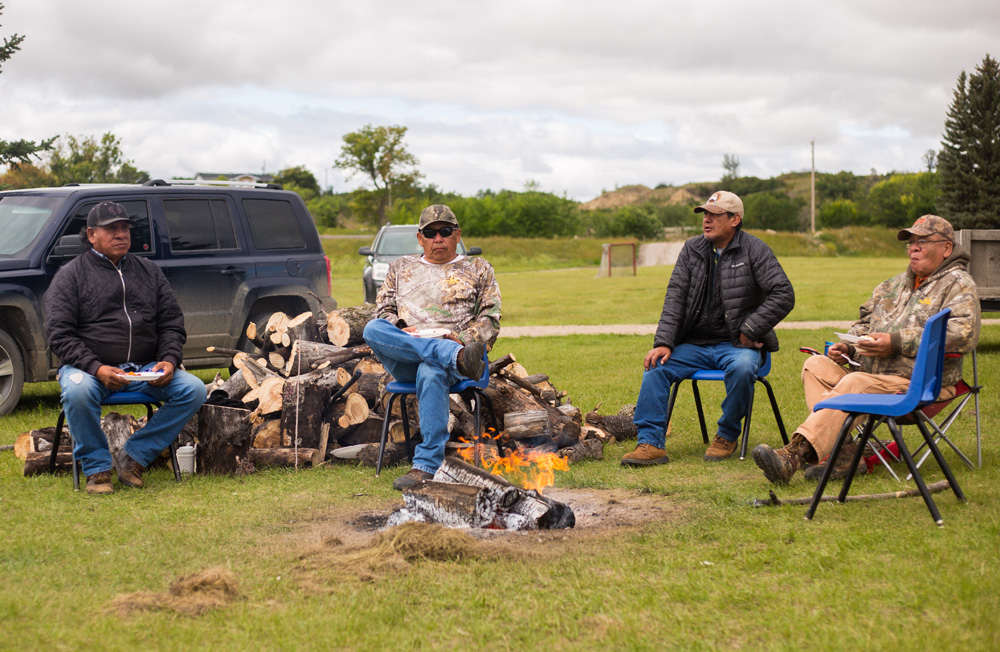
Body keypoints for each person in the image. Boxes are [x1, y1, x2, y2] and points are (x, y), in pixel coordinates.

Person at [751, 215, 980, 484]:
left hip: (922, 382)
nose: (913, 248)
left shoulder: (958, 284)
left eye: (922, 242)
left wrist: (895, 342)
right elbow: (863, 325)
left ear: (946, 248)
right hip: (874, 376)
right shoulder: (890, 286)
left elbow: (964, 334)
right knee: (815, 366)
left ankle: (793, 455)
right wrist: (848, 346)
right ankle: (846, 454)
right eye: (910, 242)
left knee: (854, 381)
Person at [45, 201, 206, 495]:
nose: (121, 234)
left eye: (125, 228)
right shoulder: (71, 276)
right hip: (90, 370)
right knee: (78, 391)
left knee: (193, 389)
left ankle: (134, 457)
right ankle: (97, 470)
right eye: (111, 229)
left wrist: (169, 360)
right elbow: (59, 334)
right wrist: (96, 368)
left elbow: (171, 323)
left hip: (144, 369)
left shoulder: (149, 272)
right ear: (92, 234)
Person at [623, 190, 795, 466]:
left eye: (715, 215)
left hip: (737, 346)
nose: (707, 220)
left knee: (742, 368)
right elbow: (675, 297)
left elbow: (783, 293)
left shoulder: (755, 249)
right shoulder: (692, 249)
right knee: (656, 365)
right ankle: (650, 443)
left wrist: (751, 328)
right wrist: (664, 342)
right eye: (705, 214)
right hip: (693, 344)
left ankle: (726, 435)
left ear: (735, 219)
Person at [363, 205, 502, 490]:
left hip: (458, 354)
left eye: (445, 232)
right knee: (371, 329)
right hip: (409, 353)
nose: (438, 238)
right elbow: (383, 311)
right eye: (430, 233)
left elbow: (490, 319)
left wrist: (463, 339)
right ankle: (453, 357)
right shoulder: (400, 268)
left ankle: (426, 465)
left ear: (457, 235)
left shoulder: (478, 269)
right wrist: (403, 329)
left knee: (430, 370)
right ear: (420, 238)